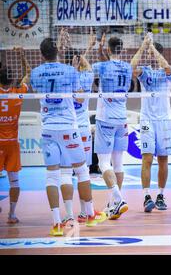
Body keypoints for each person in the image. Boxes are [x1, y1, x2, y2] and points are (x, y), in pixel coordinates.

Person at [30, 38, 103, 236]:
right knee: (81, 171)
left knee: (52, 176)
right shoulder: (70, 71)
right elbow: (79, 98)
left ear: (41, 54)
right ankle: (89, 215)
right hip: (68, 128)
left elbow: (38, 90)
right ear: (58, 52)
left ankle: (56, 223)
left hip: (48, 129)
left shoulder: (36, 73)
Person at [56, 28, 106, 225]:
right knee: (83, 172)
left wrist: (64, 48)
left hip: (66, 128)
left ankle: (69, 214)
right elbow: (88, 68)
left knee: (67, 172)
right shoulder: (86, 77)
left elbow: (62, 65)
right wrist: (88, 48)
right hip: (83, 130)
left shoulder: (61, 79)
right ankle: (87, 212)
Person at [131, 34, 171, 212]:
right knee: (147, 158)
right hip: (148, 119)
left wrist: (153, 48)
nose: (150, 55)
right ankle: (146, 196)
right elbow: (131, 67)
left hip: (164, 120)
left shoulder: (167, 70)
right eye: (149, 53)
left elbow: (166, 67)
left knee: (163, 159)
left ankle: (161, 195)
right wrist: (143, 46)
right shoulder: (144, 71)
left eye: (151, 53)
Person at [92, 37, 132, 220]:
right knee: (118, 163)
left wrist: (95, 48)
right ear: (121, 49)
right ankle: (114, 205)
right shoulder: (127, 67)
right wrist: (102, 50)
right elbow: (110, 67)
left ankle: (118, 199)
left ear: (108, 49)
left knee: (103, 164)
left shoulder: (101, 67)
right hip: (122, 119)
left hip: (106, 119)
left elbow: (84, 70)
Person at [0, 47, 30, 224]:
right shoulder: (18, 93)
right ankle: (11, 214)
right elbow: (28, 73)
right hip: (11, 143)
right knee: (14, 181)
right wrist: (22, 55)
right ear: (12, 80)